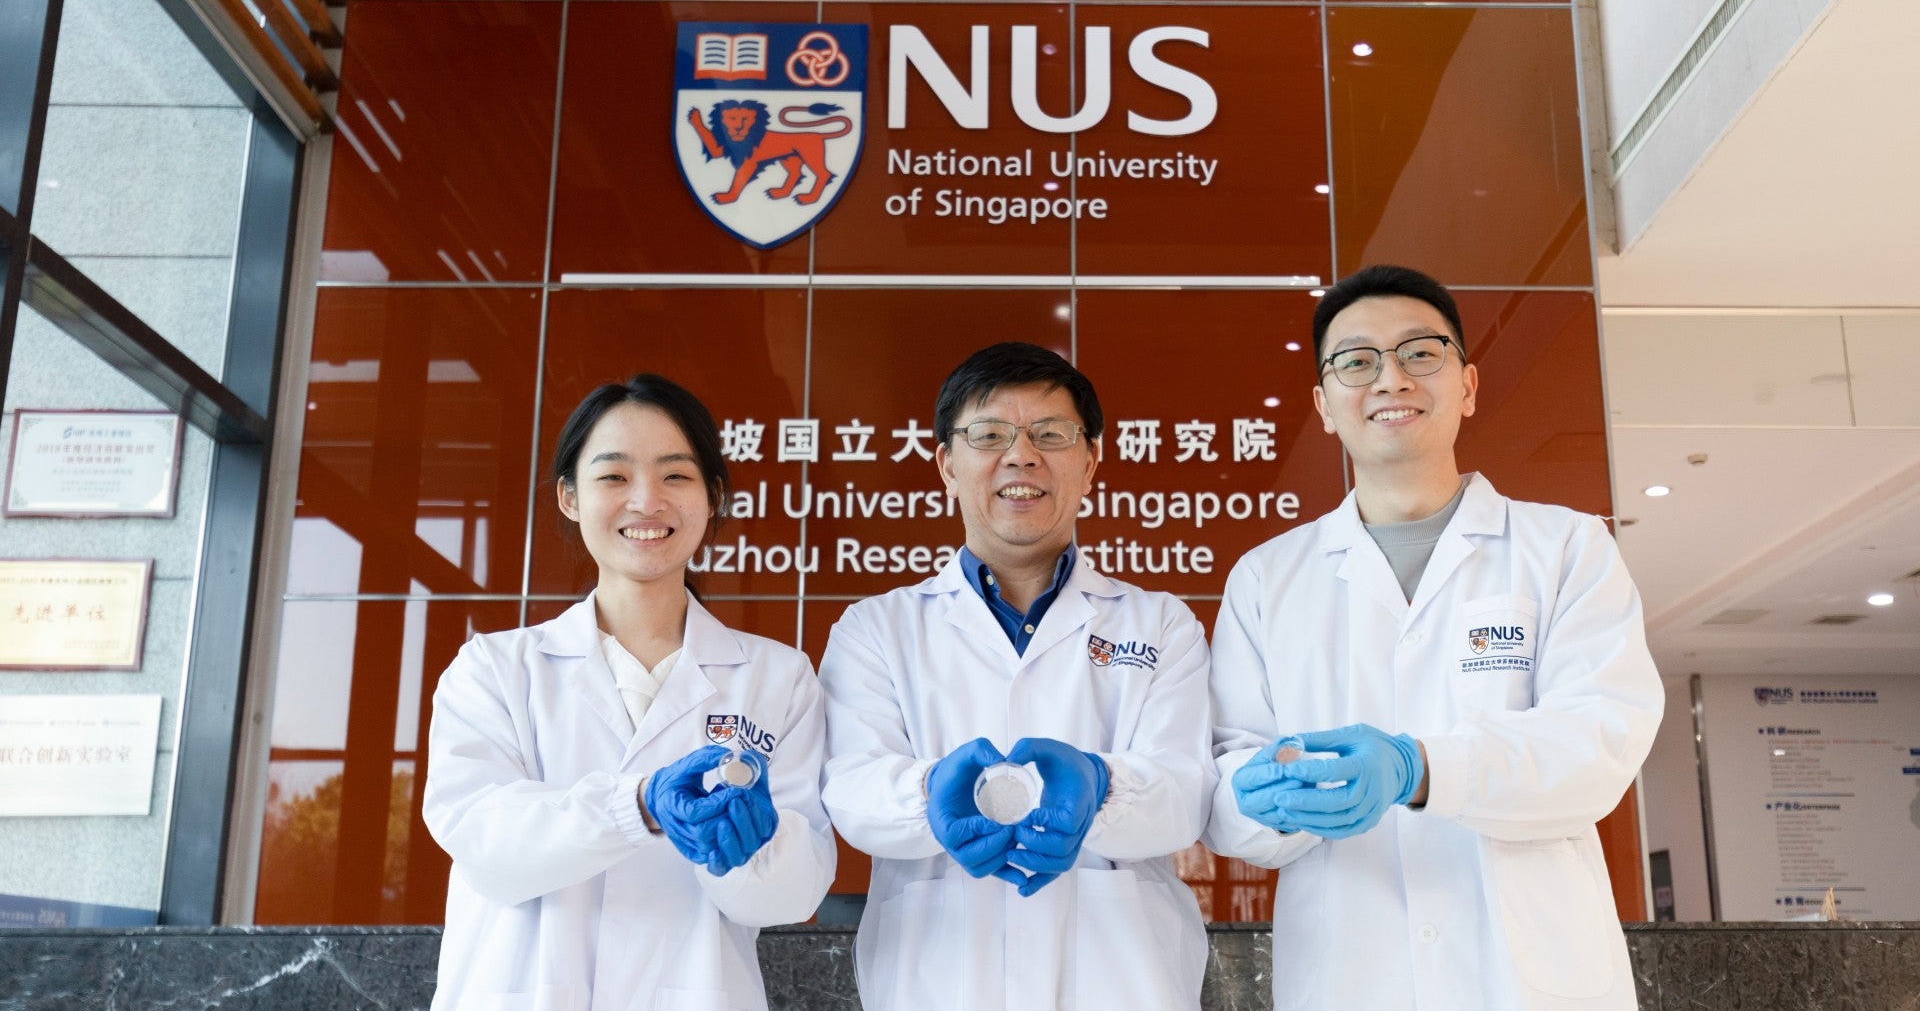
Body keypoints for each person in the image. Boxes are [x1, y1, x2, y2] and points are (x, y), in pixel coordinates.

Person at [1205, 265, 1664, 1011]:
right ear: (1325, 406)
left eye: (1421, 353)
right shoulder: (1266, 580)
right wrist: (1258, 799)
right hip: (1350, 978)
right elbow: (1226, 790)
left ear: (1469, 385)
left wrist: (1423, 769)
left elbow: (1599, 745)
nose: (1390, 378)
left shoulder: (1566, 548)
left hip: (1533, 980)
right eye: (1357, 361)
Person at [818, 342, 1214, 1011]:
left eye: (1050, 435)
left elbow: (1186, 794)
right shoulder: (875, 629)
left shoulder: (1161, 623)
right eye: (989, 435)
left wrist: (1101, 786)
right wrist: (930, 794)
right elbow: (851, 791)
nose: (1021, 455)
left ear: (1090, 461)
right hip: (939, 977)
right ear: (947, 463)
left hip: (1121, 979)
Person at [423, 374, 834, 1011]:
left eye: (676, 475)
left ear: (713, 496)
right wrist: (636, 806)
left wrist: (756, 850)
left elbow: (792, 896)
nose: (646, 501)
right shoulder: (494, 670)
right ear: (569, 496)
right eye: (613, 476)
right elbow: (484, 844)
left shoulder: (777, 680)